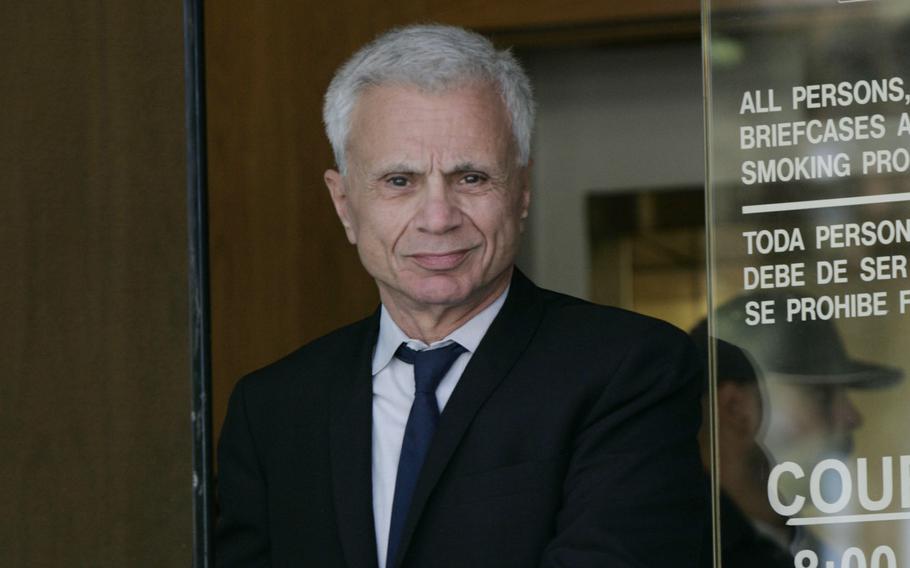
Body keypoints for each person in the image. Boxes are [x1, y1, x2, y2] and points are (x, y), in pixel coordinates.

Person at [215, 24, 706, 568]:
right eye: (399, 181)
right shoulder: (273, 409)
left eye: (471, 178)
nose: (438, 217)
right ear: (344, 203)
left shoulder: (631, 369)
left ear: (522, 192)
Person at [695, 291, 901, 563]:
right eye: (821, 395)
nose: (852, 417)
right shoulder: (666, 554)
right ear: (735, 409)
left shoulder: (807, 551)